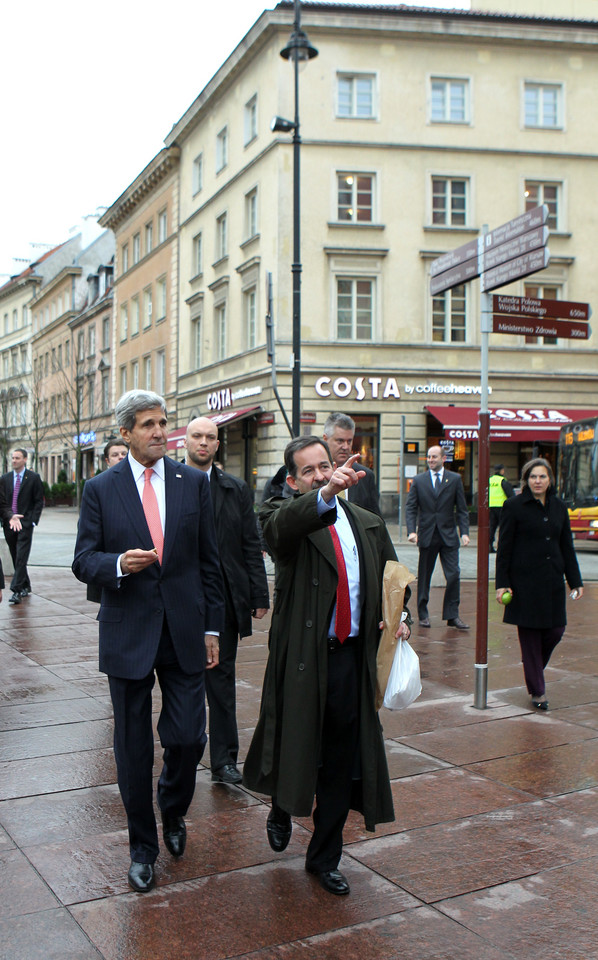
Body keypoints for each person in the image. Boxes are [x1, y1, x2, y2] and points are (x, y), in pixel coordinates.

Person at [243, 436, 411, 897]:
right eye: (310, 471)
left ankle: (325, 858)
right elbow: (276, 532)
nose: (321, 474)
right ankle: (282, 803)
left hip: (351, 660)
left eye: (325, 466)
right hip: (304, 658)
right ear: (294, 481)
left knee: (341, 760)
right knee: (296, 743)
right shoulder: (284, 519)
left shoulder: (369, 523)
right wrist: (325, 496)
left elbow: (394, 580)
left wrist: (401, 619)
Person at [72, 390, 224, 893]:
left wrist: (211, 628)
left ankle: (173, 809)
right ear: (125, 433)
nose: (160, 432)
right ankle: (143, 847)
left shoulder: (192, 483)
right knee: (133, 748)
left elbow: (209, 562)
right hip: (128, 631)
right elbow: (83, 560)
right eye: (148, 425)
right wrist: (117, 564)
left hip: (184, 631)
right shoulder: (101, 488)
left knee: (187, 738)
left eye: (163, 422)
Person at [184, 416, 269, 784]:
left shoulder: (236, 489)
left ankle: (224, 761)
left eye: (210, 437)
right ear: (184, 440)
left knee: (221, 685)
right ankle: (183, 755)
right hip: (182, 601)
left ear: (218, 444)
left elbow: (251, 544)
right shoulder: (169, 487)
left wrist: (258, 592)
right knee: (182, 684)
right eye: (197, 436)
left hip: (225, 603)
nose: (204, 442)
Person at [495, 457, 583, 711]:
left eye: (542, 476)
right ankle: (537, 690)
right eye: (533, 476)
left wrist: (575, 581)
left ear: (550, 480)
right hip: (524, 585)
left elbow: (566, 545)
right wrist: (503, 584)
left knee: (556, 631)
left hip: (552, 581)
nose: (538, 481)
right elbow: (505, 550)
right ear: (526, 480)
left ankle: (532, 668)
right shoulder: (513, 506)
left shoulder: (558, 506)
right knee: (531, 637)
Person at [405, 445, 470, 629]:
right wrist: (412, 531)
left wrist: (464, 533)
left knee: (454, 575)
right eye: (428, 457)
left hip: (448, 535)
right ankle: (423, 614)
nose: (431, 460)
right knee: (424, 577)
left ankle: (452, 615)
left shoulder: (455, 479)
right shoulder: (419, 480)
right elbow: (411, 508)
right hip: (427, 535)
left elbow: (462, 510)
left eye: (434, 457)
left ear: (443, 459)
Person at [86, 440, 130, 604]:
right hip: (110, 568)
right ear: (107, 461)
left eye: (123, 454)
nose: (120, 457)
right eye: (115, 455)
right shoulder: (97, 488)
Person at [0, 448, 44, 604]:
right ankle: (26, 585)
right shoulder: (4, 479)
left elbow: (39, 500)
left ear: (25, 459)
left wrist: (32, 520)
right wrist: (9, 516)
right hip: (9, 523)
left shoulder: (33, 478)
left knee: (21, 557)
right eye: (12, 458)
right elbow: (2, 501)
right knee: (15, 556)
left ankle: (17, 590)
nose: (14, 460)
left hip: (25, 524)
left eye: (17, 458)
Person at [322, 412, 382, 516]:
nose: (345, 447)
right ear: (325, 439)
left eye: (349, 441)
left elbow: (375, 519)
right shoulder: (315, 475)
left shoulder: (364, 476)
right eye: (340, 441)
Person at [488, 464, 514, 552]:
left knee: (492, 527)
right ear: (502, 471)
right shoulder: (503, 481)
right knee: (503, 528)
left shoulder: (489, 480)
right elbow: (511, 495)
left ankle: (489, 546)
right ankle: (502, 547)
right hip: (501, 507)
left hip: (491, 506)